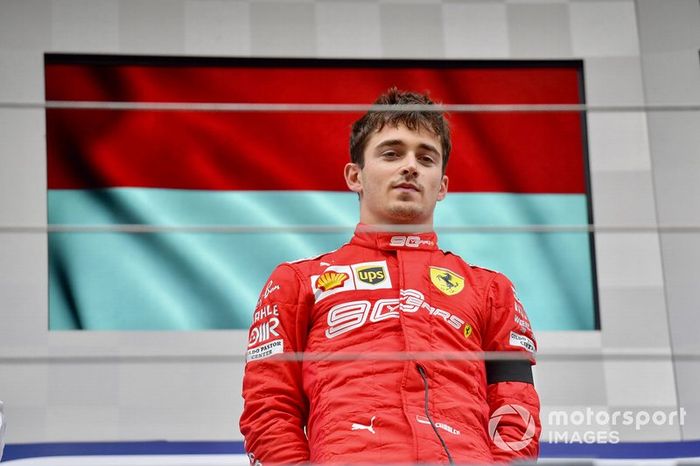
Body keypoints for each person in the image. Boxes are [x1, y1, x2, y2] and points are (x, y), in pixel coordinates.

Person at [240, 88, 541, 465]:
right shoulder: (298, 281)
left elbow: (516, 409)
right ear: (355, 176)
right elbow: (268, 410)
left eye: (426, 157)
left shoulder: (492, 290)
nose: (410, 166)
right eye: (392, 153)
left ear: (443, 185)